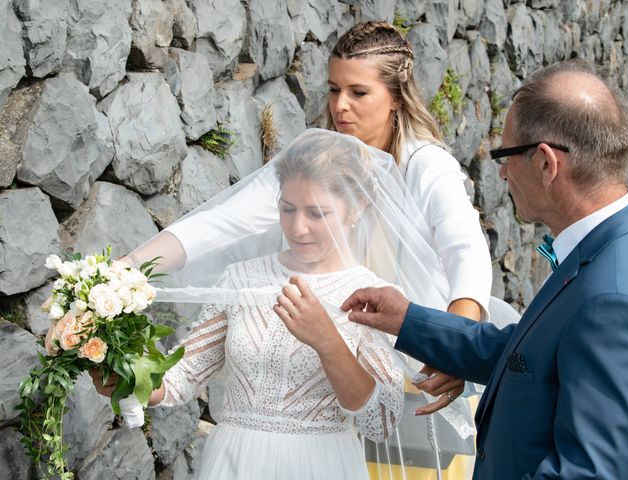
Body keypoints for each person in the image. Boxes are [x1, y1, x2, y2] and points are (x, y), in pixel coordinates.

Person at [125, 20, 492, 412]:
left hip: (424, 364)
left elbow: (465, 249)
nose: (339, 106)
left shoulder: (426, 164)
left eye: (358, 92)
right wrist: (127, 270)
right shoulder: (314, 161)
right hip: (336, 372)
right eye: (334, 90)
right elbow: (222, 222)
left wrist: (455, 344)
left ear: (397, 97)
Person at [94, 130, 452, 479]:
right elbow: (181, 378)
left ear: (356, 208)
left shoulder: (374, 296)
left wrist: (328, 342)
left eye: (317, 213)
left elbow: (380, 422)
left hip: (321, 467)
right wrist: (132, 380)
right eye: (288, 208)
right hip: (233, 463)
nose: (298, 228)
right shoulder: (241, 279)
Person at [341, 60, 628, 479]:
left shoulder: (612, 298)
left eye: (505, 155)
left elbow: (592, 471)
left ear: (546, 164)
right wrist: (408, 320)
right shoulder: (615, 242)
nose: (500, 171)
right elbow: (528, 358)